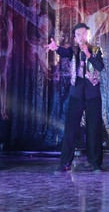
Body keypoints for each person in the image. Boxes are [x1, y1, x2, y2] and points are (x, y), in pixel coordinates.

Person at [45, 23, 105, 172]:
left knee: (94, 129)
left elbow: (100, 67)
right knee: (70, 129)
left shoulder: (96, 50)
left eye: (84, 33)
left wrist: (88, 53)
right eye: (78, 35)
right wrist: (56, 48)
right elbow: (64, 52)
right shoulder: (73, 50)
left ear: (88, 35)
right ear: (75, 38)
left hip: (92, 94)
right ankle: (65, 162)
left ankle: (95, 163)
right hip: (76, 94)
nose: (81, 37)